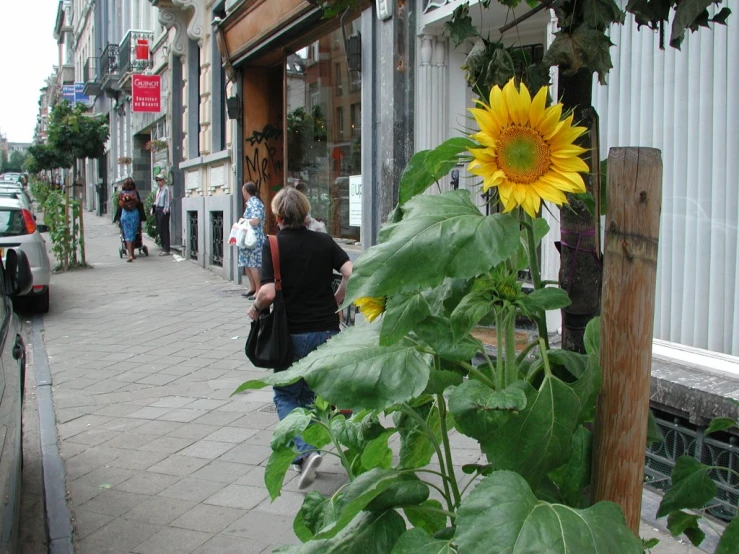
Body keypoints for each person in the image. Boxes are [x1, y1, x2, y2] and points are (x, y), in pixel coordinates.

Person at [247, 187, 353, 489]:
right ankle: (310, 450)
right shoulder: (323, 241)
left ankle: (305, 453)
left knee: (285, 394)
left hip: (291, 333)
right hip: (327, 331)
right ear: (306, 213)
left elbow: (266, 292)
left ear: (277, 216)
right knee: (308, 395)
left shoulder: (274, 245)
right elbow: (352, 271)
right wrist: (338, 299)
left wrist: (255, 309)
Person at [238, 181, 266, 299]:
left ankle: (258, 290)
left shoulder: (255, 203)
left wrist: (243, 221)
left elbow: (256, 220)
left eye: (243, 190)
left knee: (253, 264)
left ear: (246, 191)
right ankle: (252, 287)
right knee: (246, 263)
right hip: (248, 238)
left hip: (254, 238)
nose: (242, 193)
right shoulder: (251, 203)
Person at [115, 178, 142, 262]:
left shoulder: (121, 194)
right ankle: (132, 254)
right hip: (134, 215)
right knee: (133, 234)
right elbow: (138, 202)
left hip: (125, 215)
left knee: (127, 235)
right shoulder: (135, 192)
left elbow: (120, 205)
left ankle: (130, 254)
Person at [153, 174, 171, 255]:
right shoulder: (158, 190)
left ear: (163, 180)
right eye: (157, 180)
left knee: (164, 229)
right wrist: (153, 209)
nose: (158, 182)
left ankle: (166, 248)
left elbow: (167, 201)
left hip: (163, 210)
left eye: (160, 180)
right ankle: (163, 247)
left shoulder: (166, 189)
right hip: (157, 209)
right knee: (160, 229)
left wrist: (165, 211)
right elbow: (156, 200)